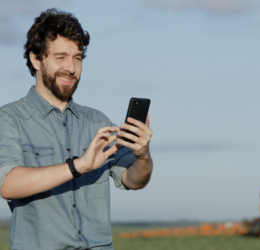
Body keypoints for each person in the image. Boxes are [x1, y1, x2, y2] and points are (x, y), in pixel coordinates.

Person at [0, 8, 153, 250]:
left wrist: (143, 155)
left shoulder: (98, 122)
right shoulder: (9, 119)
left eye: (78, 58)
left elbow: (134, 180)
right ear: (36, 59)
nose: (71, 68)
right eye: (60, 57)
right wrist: (79, 166)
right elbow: (7, 183)